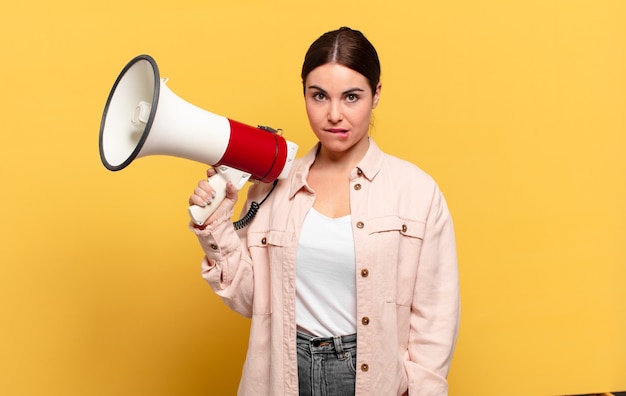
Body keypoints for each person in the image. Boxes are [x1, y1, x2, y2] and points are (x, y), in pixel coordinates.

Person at [188, 26, 460, 396]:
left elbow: (435, 319)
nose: (334, 114)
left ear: (376, 95)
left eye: (351, 97)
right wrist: (217, 224)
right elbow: (252, 300)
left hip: (370, 376)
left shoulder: (417, 192)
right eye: (319, 96)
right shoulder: (271, 187)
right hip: (284, 372)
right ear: (304, 94)